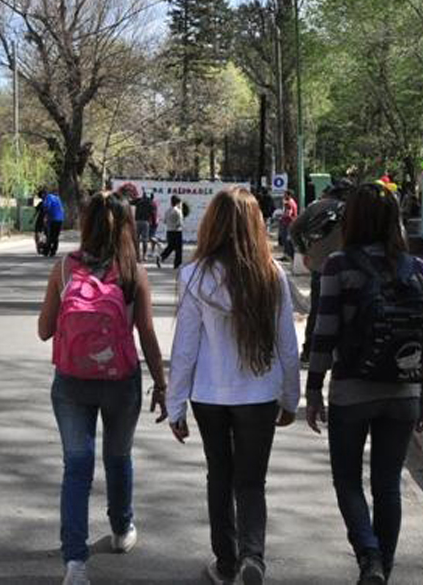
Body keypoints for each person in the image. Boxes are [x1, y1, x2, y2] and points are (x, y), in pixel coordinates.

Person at [305, 183, 423, 584]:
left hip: (352, 391)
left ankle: (369, 558)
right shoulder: (417, 270)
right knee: (388, 484)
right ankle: (386, 565)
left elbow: (324, 333)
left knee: (347, 478)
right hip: (405, 392)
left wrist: (314, 389)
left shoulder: (339, 264)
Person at [166, 188, 299, 585]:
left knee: (219, 476)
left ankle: (225, 562)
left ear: (213, 223)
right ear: (255, 225)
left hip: (208, 395)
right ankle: (252, 556)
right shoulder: (272, 275)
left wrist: (176, 405)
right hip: (258, 395)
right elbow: (287, 346)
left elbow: (185, 347)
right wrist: (291, 398)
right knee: (251, 481)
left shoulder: (193, 275)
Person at [37, 192, 169, 585]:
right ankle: (120, 529)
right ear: (127, 225)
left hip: (72, 383)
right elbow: (146, 333)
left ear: (86, 224)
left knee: (76, 468)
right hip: (120, 381)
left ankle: (75, 564)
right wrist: (161, 384)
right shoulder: (133, 272)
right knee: (118, 457)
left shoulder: (64, 268)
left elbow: (45, 330)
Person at [290, 179, 353, 363]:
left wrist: (303, 251)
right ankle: (337, 354)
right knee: (343, 312)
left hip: (318, 266)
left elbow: (294, 229)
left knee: (317, 311)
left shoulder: (315, 207)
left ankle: (309, 352)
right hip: (344, 267)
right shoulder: (349, 210)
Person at [159, 195, 185, 269]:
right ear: (177, 202)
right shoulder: (178, 211)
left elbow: (164, 221)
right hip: (177, 231)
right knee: (178, 249)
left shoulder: (167, 211)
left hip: (169, 231)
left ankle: (161, 256)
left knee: (170, 246)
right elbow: (180, 223)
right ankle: (177, 264)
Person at [43, 189, 66, 256]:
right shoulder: (57, 198)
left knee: (50, 235)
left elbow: (47, 206)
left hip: (53, 219)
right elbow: (61, 209)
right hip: (60, 219)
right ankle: (53, 251)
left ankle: (46, 250)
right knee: (56, 235)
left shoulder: (49, 197)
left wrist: (45, 215)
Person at [133, 190, 155, 262]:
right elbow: (153, 214)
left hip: (137, 221)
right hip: (145, 222)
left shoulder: (139, 201)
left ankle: (136, 255)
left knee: (136, 239)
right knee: (144, 240)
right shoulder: (150, 203)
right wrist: (154, 223)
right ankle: (144, 255)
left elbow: (131, 202)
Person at [278, 193, 298, 261]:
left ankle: (288, 256)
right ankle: (289, 255)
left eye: (285, 195)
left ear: (289, 195)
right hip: (291, 222)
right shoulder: (293, 202)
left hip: (287, 223)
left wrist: (281, 217)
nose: (284, 196)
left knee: (286, 240)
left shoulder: (288, 203)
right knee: (288, 240)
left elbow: (288, 214)